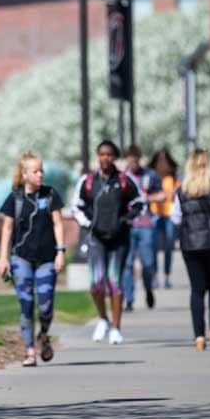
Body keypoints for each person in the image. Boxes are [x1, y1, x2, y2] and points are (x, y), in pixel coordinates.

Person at [0, 152, 66, 367]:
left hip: (47, 258)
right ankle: (29, 351)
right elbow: (7, 228)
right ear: (25, 174)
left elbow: (58, 224)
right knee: (26, 303)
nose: (40, 174)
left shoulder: (50, 194)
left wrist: (61, 251)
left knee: (46, 306)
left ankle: (43, 335)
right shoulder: (15, 198)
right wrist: (3, 258)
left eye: (41, 170)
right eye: (35, 171)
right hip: (21, 257)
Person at [72, 140, 144, 345]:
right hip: (96, 238)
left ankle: (116, 327)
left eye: (110, 154)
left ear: (115, 157)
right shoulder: (87, 181)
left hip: (119, 239)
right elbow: (76, 206)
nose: (106, 158)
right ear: (98, 156)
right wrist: (88, 224)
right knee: (96, 283)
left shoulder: (124, 180)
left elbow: (140, 204)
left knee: (114, 282)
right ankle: (103, 319)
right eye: (102, 154)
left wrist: (125, 221)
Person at [172, 149, 210, 350]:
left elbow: (176, 218)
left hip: (190, 244)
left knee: (197, 290)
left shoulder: (182, 190)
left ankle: (199, 336)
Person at [120, 144, 161, 311]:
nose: (133, 164)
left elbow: (163, 194)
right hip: (128, 226)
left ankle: (148, 288)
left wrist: (148, 197)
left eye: (135, 161)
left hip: (145, 224)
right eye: (130, 161)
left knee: (148, 262)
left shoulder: (149, 175)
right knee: (127, 263)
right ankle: (129, 299)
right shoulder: (122, 177)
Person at [149, 150, 179, 289]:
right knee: (153, 246)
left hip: (169, 214)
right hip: (155, 214)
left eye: (165, 161)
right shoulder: (151, 176)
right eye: (160, 161)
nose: (162, 164)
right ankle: (154, 276)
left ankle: (167, 276)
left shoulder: (171, 177)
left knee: (168, 246)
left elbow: (178, 192)